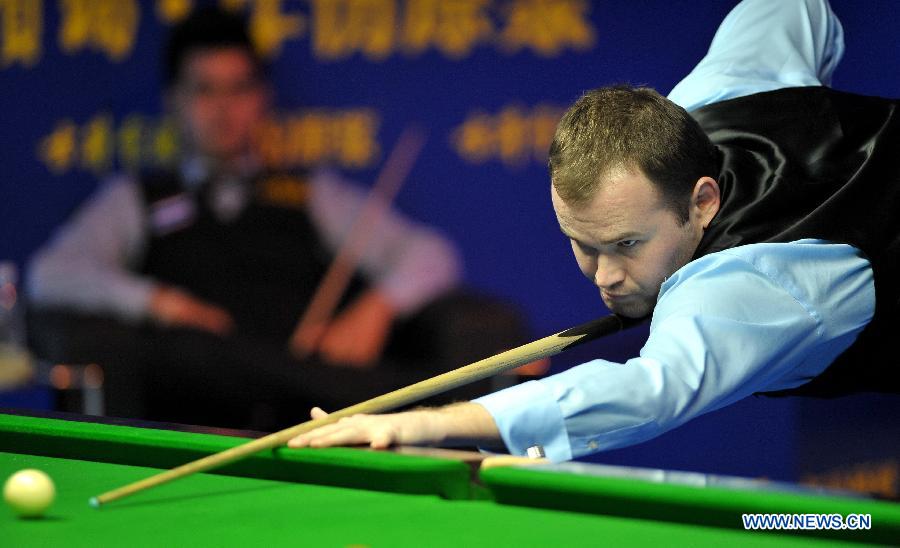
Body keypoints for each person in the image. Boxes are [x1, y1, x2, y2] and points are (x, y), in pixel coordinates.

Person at [288, 0, 899, 460]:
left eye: (629, 244)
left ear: (702, 201)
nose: (605, 277)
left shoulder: (751, 283)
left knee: (820, 526)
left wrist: (420, 424)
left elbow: (649, 390)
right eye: (583, 245)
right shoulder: (723, 90)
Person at [26, 7, 527, 429]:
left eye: (239, 89)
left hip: (309, 392)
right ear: (174, 102)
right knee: (194, 354)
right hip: (200, 395)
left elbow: (431, 255)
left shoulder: (308, 193)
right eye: (204, 90)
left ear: (261, 99)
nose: (223, 109)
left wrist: (374, 309)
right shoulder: (137, 197)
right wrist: (160, 302)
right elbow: (51, 275)